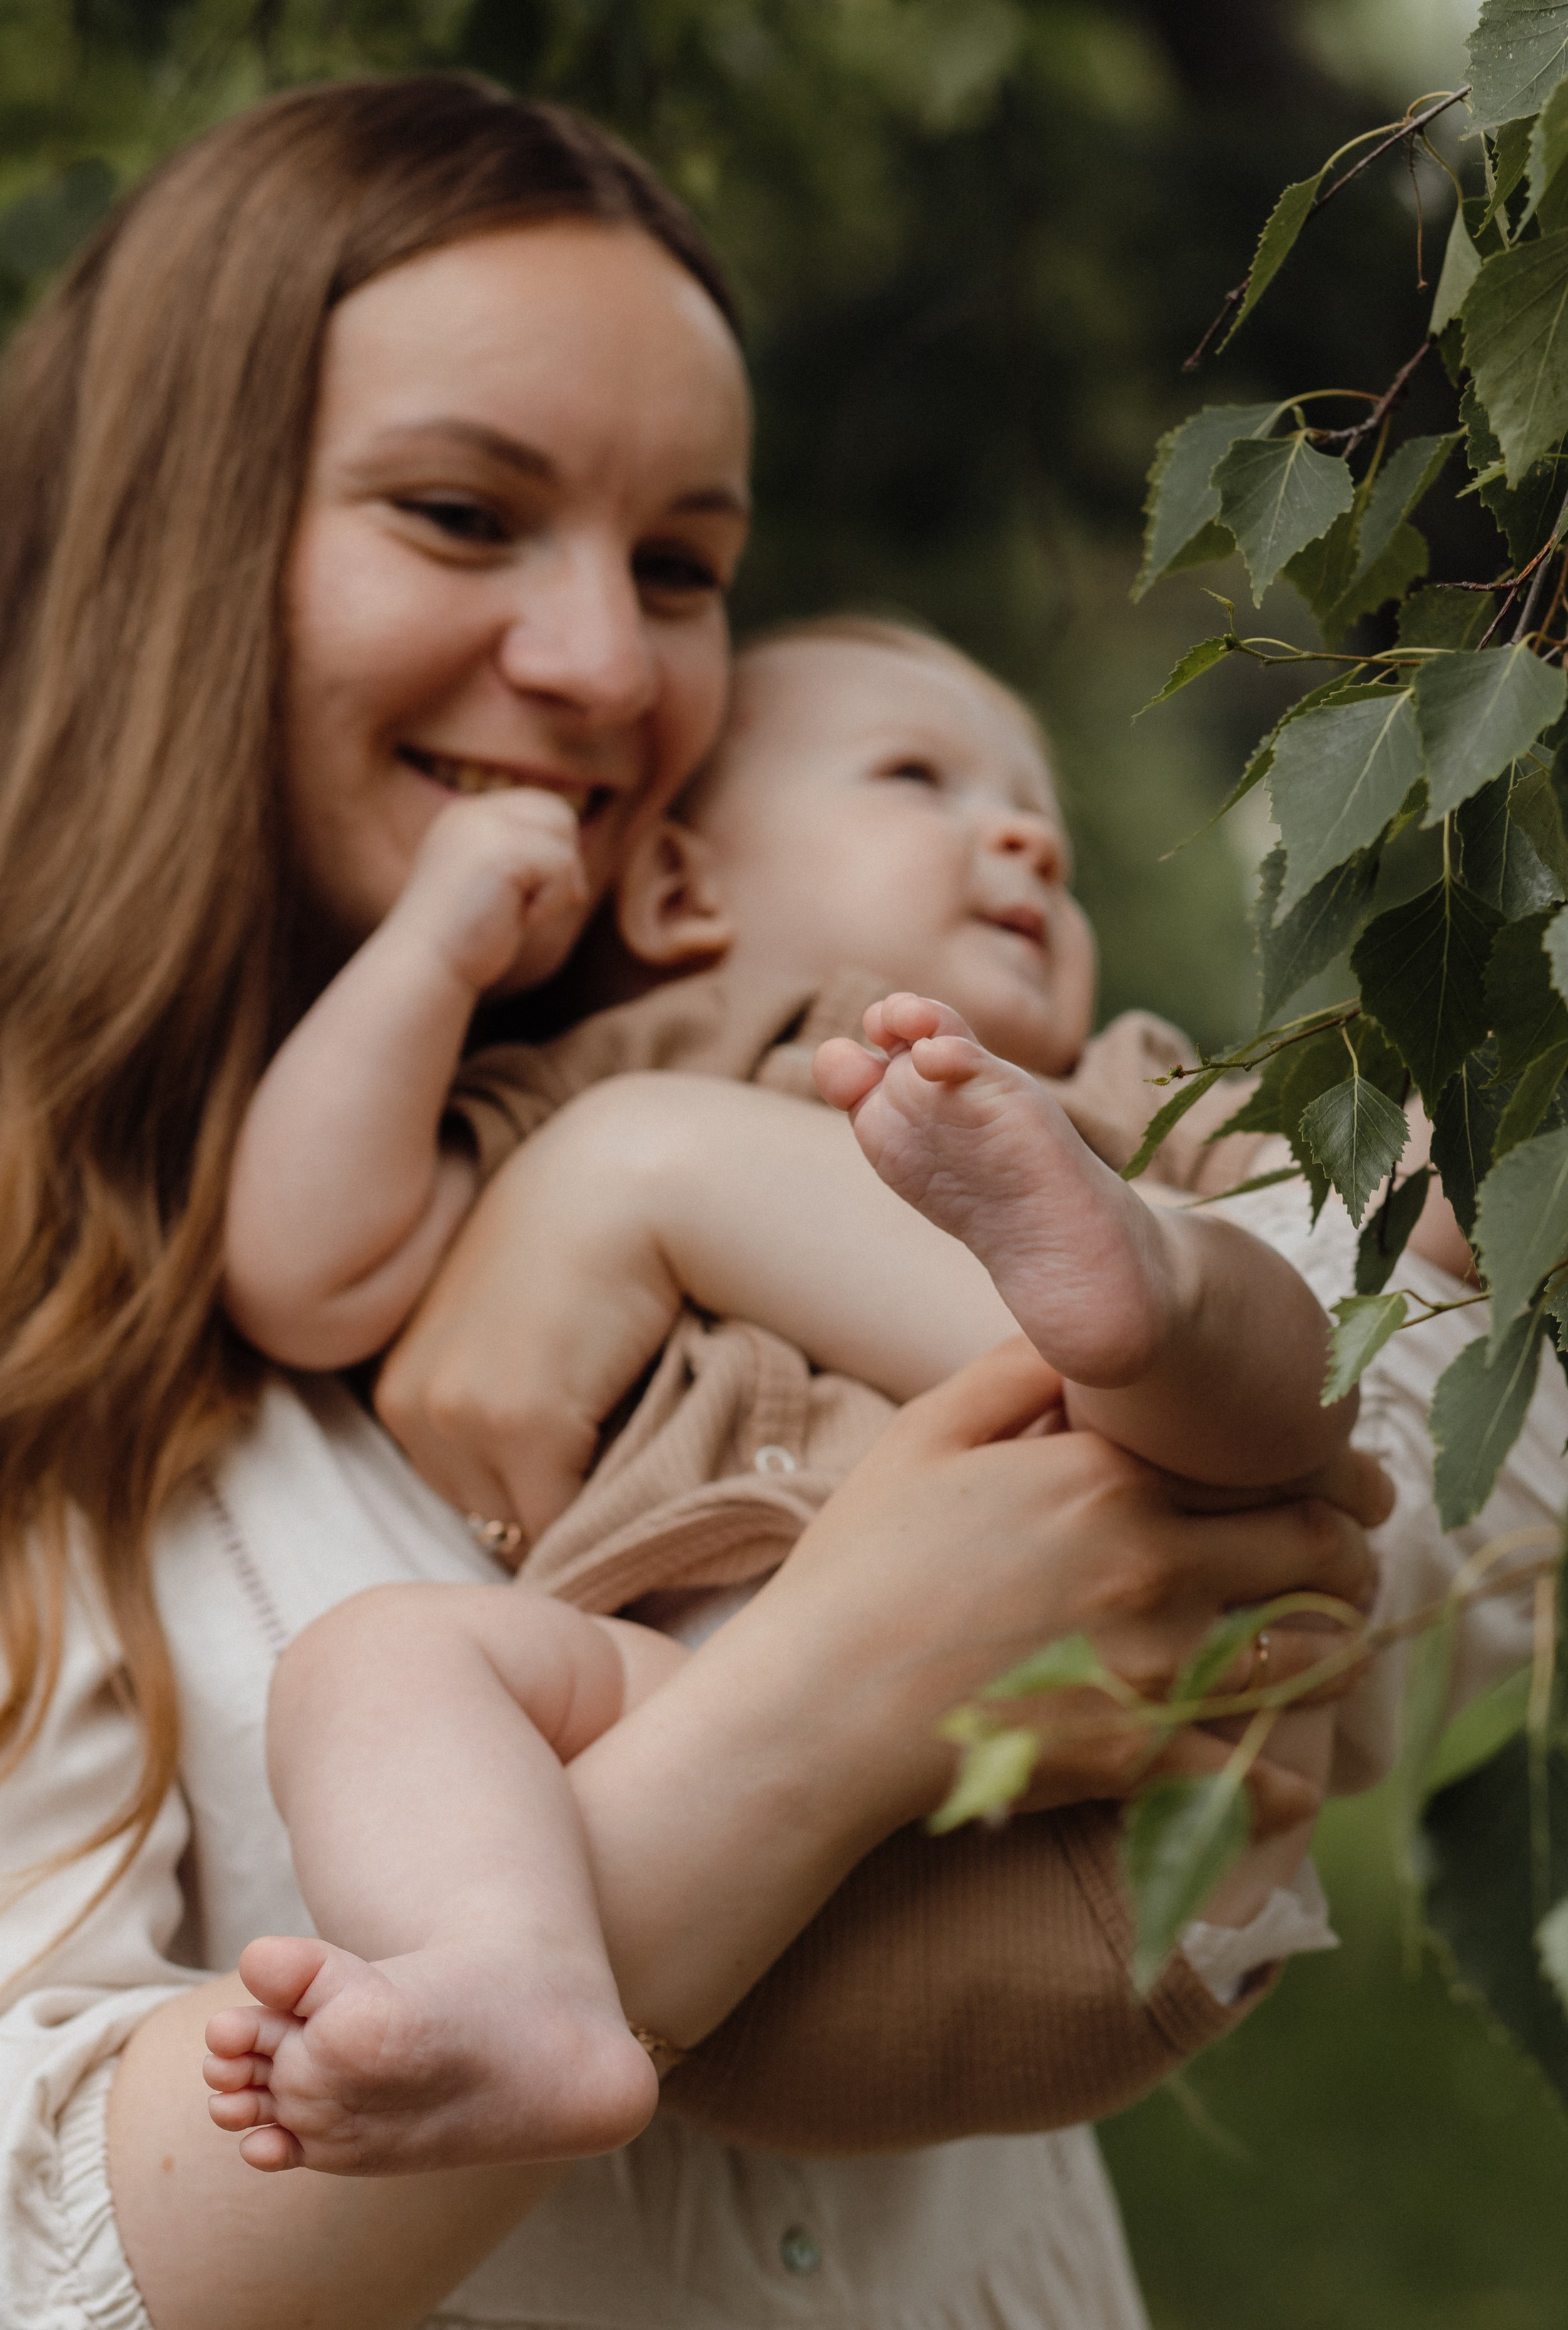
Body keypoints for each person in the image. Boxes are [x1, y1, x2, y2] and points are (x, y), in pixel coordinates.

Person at [0, 75, 1392, 2330]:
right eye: (459, 514)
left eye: (685, 564)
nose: (603, 666)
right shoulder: (79, 1322)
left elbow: (1368, 1490)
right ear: (180, 556)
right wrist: (846, 1691)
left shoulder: (788, 1114)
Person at [210, 616, 1355, 2174]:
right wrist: (439, 937)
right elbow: (299, 1262)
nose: (1020, 832)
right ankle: (506, 1975)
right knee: (371, 1665)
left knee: (1262, 1316)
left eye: (1044, 826)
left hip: (1130, 1783)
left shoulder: (1127, 1081)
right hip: (711, 1816)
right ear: (683, 888)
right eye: (918, 777)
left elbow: (1392, 1211)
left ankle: (1128, 1292)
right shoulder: (617, 1070)